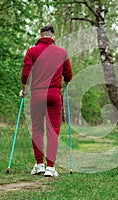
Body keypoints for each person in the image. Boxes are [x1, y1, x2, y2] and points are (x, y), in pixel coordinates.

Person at [20, 25, 73, 177]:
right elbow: (69, 75)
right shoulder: (61, 52)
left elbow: (25, 75)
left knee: (37, 129)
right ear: (53, 37)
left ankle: (39, 165)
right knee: (52, 131)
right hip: (54, 96)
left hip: (36, 96)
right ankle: (50, 168)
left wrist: (24, 90)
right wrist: (67, 81)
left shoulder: (32, 51)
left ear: (40, 35)